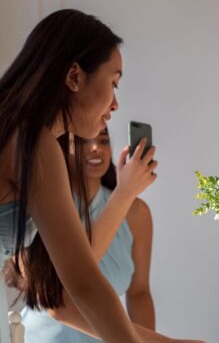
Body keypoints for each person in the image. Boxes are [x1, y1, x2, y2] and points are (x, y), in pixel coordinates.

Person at [0, 9, 203, 343]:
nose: (115, 104)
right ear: (74, 77)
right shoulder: (33, 143)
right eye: (114, 82)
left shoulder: (16, 130)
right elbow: (83, 284)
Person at [19, 129, 155, 342]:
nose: (95, 148)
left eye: (103, 140)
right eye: (83, 142)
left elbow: (139, 293)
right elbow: (61, 296)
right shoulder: (44, 206)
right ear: (60, 149)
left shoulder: (136, 214)